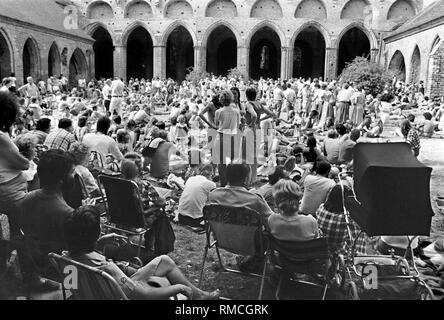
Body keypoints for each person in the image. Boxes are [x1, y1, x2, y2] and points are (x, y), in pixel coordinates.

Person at [64, 205, 220, 300]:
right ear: (96, 232)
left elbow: (70, 290)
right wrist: (179, 288)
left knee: (164, 261)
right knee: (163, 281)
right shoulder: (106, 270)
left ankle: (199, 295)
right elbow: (145, 295)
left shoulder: (65, 259)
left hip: (98, 292)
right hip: (121, 294)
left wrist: (98, 242)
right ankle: (195, 294)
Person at [0, 92, 30, 234]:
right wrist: (29, 157)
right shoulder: (1, 138)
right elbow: (23, 164)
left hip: (8, 189)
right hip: (10, 193)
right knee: (21, 230)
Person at [207, 163, 274, 221]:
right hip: (249, 236)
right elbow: (272, 221)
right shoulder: (255, 200)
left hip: (219, 235)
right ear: (246, 178)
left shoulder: (213, 195)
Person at [316, 184, 367, 255]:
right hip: (339, 253)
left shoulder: (321, 209)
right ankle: (360, 256)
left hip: (323, 249)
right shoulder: (345, 219)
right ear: (344, 201)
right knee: (359, 233)